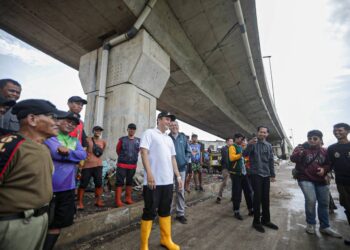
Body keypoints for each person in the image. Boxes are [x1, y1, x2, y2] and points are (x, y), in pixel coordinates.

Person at [0, 99, 61, 250]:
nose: (57, 123)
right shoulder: (11, 145)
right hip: (15, 224)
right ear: (32, 119)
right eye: (52, 117)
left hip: (39, 221)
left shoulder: (43, 148)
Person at [43, 112, 87, 250]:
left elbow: (83, 154)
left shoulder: (75, 141)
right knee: (42, 223)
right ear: (59, 121)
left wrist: (67, 152)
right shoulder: (50, 137)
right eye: (68, 121)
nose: (71, 125)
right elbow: (55, 152)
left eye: (74, 124)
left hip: (68, 188)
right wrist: (72, 155)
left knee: (57, 224)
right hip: (48, 188)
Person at [139, 111, 182, 250]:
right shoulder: (149, 133)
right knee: (149, 211)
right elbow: (143, 152)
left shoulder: (169, 139)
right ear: (159, 120)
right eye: (167, 119)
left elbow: (173, 158)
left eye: (171, 120)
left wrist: (178, 177)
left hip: (168, 182)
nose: (169, 122)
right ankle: (144, 245)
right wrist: (149, 174)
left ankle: (166, 239)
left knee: (165, 210)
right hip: (153, 182)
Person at [290, 130, 341, 238]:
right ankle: (311, 224)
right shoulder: (301, 148)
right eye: (309, 138)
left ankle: (325, 226)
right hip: (305, 178)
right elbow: (293, 159)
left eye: (315, 138)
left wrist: (324, 169)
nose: (312, 140)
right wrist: (299, 152)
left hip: (321, 180)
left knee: (324, 203)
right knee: (311, 200)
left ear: (320, 140)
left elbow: (329, 164)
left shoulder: (325, 151)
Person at [243, 126, 278, 233]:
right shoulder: (253, 144)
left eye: (264, 132)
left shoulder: (268, 146)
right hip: (256, 174)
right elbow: (244, 155)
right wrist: (249, 145)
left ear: (267, 134)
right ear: (257, 133)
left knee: (265, 198)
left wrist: (272, 174)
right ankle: (256, 222)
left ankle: (266, 220)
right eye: (260, 132)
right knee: (257, 198)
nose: (262, 134)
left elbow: (271, 160)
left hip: (266, 174)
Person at [328, 123, 350, 245]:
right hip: (342, 184)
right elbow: (329, 164)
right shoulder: (332, 149)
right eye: (335, 130)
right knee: (348, 207)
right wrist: (325, 172)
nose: (337, 132)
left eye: (340, 130)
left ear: (347, 131)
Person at [77, 125, 107, 210]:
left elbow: (102, 151)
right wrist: (81, 164)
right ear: (93, 131)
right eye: (97, 130)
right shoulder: (87, 140)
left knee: (98, 183)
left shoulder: (103, 142)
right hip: (87, 165)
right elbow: (83, 150)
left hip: (98, 165)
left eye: (100, 131)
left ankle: (98, 201)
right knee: (83, 184)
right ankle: (80, 202)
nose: (98, 132)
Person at [169, 121, 191, 224]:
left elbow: (188, 151)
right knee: (168, 191)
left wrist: (185, 160)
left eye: (176, 125)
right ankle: (167, 214)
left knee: (180, 191)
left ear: (178, 126)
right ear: (169, 127)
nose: (174, 127)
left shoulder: (183, 137)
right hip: (169, 169)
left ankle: (180, 214)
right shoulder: (167, 137)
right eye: (172, 125)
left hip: (181, 169)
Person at [228, 133, 254, 220]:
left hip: (243, 173)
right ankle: (236, 211)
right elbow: (232, 158)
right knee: (237, 193)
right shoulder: (232, 147)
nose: (242, 141)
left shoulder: (240, 147)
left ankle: (251, 209)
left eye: (243, 139)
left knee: (248, 191)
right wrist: (241, 154)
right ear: (236, 139)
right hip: (236, 174)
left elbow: (244, 158)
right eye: (240, 139)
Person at [115, 123, 140, 207]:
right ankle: (118, 200)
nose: (132, 130)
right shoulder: (122, 139)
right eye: (130, 129)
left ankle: (128, 198)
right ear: (127, 129)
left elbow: (139, 151)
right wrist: (123, 158)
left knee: (129, 182)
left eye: (133, 129)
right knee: (119, 182)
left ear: (135, 130)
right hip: (122, 165)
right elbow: (118, 150)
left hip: (132, 166)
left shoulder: (138, 140)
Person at [216, 138, 233, 204]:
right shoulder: (224, 149)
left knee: (234, 183)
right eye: (230, 141)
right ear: (227, 142)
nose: (232, 142)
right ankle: (219, 197)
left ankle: (233, 196)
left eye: (232, 141)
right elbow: (226, 159)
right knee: (225, 182)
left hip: (232, 168)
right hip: (226, 168)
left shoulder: (232, 148)